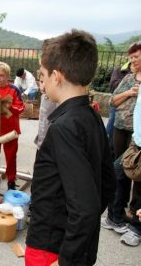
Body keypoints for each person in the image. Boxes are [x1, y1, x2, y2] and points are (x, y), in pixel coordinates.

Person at [25, 30, 116, 265]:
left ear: (57, 76)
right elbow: (106, 184)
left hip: (51, 247)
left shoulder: (63, 128)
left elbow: (85, 206)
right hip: (72, 243)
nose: (41, 84)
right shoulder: (92, 116)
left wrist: (66, 258)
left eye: (43, 75)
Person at [102, 41, 141, 235]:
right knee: (123, 170)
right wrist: (129, 92)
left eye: (136, 56)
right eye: (131, 57)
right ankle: (119, 212)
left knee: (136, 173)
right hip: (121, 129)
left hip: (137, 135)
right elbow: (112, 101)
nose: (132, 60)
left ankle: (133, 212)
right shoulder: (129, 79)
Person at [0, 62, 24, 190]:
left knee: (11, 156)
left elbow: (21, 108)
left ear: (8, 76)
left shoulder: (14, 89)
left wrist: (11, 107)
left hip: (10, 130)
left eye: (2, 75)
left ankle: (11, 181)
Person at [34, 74, 57, 150]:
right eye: (41, 81)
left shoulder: (56, 100)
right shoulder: (43, 96)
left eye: (46, 82)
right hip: (41, 140)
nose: (43, 86)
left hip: (50, 144)